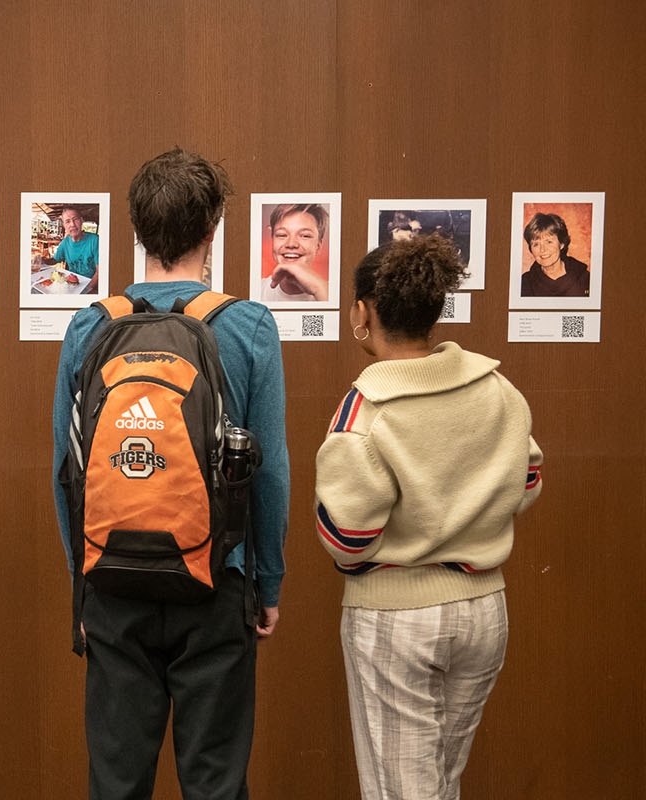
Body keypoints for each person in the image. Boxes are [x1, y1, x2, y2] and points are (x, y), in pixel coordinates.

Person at [52, 148, 289, 800]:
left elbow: (65, 470)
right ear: (213, 229)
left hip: (112, 585)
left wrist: (83, 584)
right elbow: (269, 472)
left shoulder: (91, 325)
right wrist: (265, 581)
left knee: (117, 783)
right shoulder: (246, 325)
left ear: (135, 230)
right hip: (216, 582)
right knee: (214, 783)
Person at [316, 236, 543, 800]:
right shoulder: (496, 388)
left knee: (402, 791)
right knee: (442, 783)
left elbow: (348, 536)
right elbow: (527, 480)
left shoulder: (366, 409)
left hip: (397, 619)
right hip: (485, 611)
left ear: (362, 313)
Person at [260, 203, 330, 302]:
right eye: (282, 235)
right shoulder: (256, 290)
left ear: (318, 246)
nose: (291, 244)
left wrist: (319, 289)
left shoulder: (331, 292)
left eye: (305, 236)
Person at [519, 211, 589, 297]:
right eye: (536, 244)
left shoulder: (584, 279)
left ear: (561, 244)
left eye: (549, 242)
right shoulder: (525, 284)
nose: (542, 249)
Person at [43, 206, 100, 292]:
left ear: (81, 221)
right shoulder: (65, 243)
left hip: (92, 288)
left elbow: (100, 271)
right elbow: (54, 260)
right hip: (71, 287)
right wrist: (43, 260)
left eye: (75, 219)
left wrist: (86, 290)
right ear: (64, 225)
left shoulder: (95, 240)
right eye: (68, 221)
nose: (72, 224)